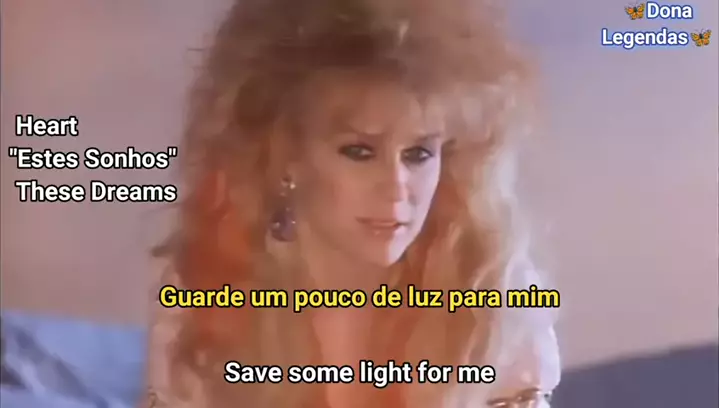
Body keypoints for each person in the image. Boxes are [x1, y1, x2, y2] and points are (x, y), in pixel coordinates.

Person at [142, 0, 561, 406]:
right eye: (360, 152)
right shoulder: (209, 291)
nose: (396, 188)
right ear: (285, 156)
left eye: (418, 154)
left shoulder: (490, 290)